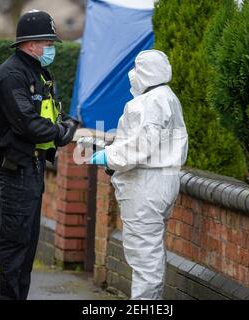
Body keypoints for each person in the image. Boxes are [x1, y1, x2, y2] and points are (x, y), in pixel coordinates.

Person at [0, 10, 78, 300]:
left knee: (27, 245)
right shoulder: (12, 75)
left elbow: (49, 113)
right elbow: (27, 123)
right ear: (30, 44)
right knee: (14, 244)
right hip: (17, 170)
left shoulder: (37, 72)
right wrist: (59, 133)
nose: (51, 48)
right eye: (48, 42)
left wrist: (64, 123)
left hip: (33, 168)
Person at [90, 50, 188, 299]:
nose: (132, 75)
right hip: (161, 182)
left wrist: (109, 157)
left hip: (145, 186)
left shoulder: (149, 102)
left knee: (144, 259)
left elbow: (141, 146)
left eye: (137, 68)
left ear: (147, 72)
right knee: (151, 255)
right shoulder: (167, 98)